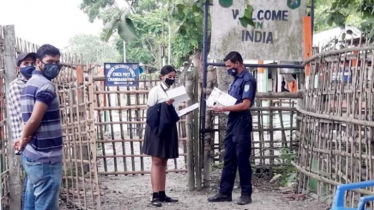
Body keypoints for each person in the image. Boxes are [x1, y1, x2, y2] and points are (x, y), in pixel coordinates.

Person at [13, 44, 63, 210]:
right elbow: (34, 120)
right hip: (45, 157)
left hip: (32, 153)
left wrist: (23, 139)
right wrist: (21, 140)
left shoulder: (29, 84)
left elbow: (25, 118)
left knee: (32, 202)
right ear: (39, 63)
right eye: (49, 61)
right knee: (46, 205)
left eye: (57, 62)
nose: (54, 66)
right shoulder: (45, 86)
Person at [208, 51, 256, 205]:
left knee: (242, 159)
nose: (228, 69)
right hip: (232, 122)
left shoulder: (248, 80)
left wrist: (223, 108)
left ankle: (246, 193)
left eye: (229, 66)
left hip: (242, 122)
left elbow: (245, 104)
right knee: (229, 158)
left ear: (237, 63)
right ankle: (225, 192)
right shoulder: (235, 80)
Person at [142, 65, 180, 207]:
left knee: (164, 161)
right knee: (156, 160)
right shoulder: (155, 91)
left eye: (173, 77)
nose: (172, 79)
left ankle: (163, 193)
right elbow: (151, 111)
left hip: (168, 127)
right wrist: (165, 104)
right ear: (161, 77)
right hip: (156, 128)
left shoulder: (173, 91)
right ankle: (155, 195)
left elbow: (172, 111)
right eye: (169, 76)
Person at [8, 52, 37, 151]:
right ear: (18, 69)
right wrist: (26, 137)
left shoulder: (35, 83)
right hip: (25, 141)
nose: (30, 66)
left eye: (32, 64)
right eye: (26, 63)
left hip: (35, 139)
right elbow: (23, 116)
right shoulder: (16, 86)